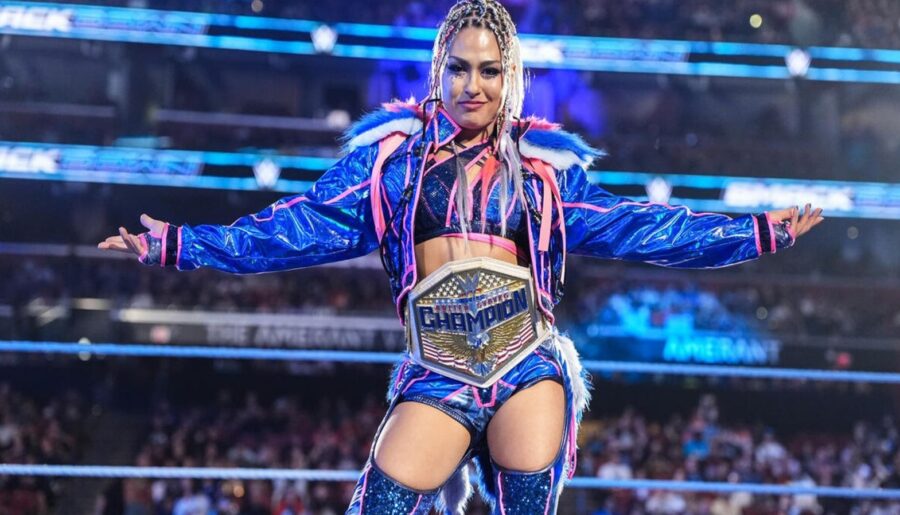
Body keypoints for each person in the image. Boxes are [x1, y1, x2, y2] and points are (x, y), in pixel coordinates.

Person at [98, 1, 824, 512]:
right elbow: (291, 228)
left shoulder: (543, 174)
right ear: (436, 72)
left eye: (488, 71)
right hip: (437, 371)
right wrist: (178, 244)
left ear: (512, 79)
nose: (472, 86)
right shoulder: (389, 167)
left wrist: (756, 234)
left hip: (526, 365)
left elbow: (644, 228)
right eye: (459, 69)